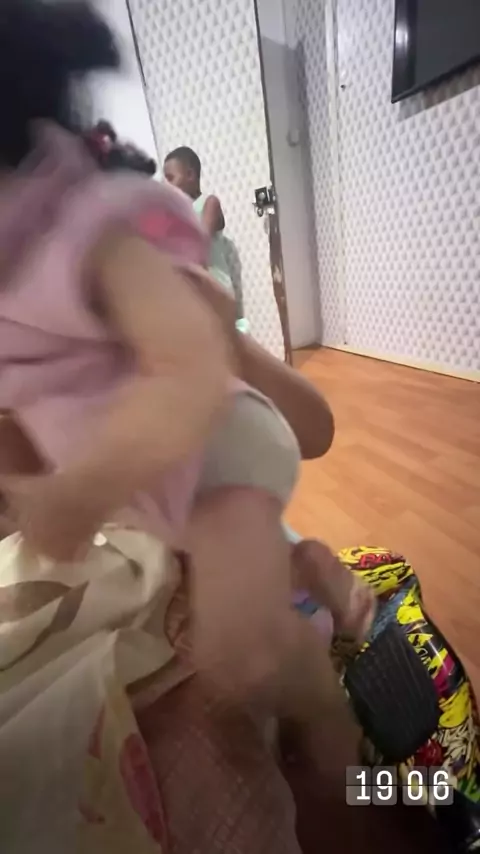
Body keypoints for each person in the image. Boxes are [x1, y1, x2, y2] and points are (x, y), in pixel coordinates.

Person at [0, 2, 362, 851]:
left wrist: (222, 338)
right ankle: (312, 579)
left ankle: (336, 723)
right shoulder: (25, 294)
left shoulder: (88, 234)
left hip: (218, 459)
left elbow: (300, 424)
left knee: (248, 648)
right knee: (238, 594)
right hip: (158, 501)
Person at [163, 146, 237, 296]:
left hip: (216, 288)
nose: (166, 185)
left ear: (190, 175)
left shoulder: (209, 203)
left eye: (170, 178)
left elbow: (199, 247)